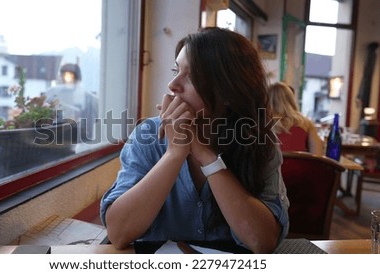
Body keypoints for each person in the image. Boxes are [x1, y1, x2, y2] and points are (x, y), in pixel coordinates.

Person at [100, 27, 289, 253]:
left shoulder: (259, 141)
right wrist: (174, 154)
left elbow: (262, 241)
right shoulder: (148, 135)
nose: (173, 85)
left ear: (229, 91)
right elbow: (119, 234)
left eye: (192, 77)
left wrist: (204, 154)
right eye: (175, 70)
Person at [267, 82, 324, 155]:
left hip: (272, 166)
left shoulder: (261, 124)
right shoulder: (306, 124)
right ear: (291, 100)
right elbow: (317, 156)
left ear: (267, 100)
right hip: (299, 166)